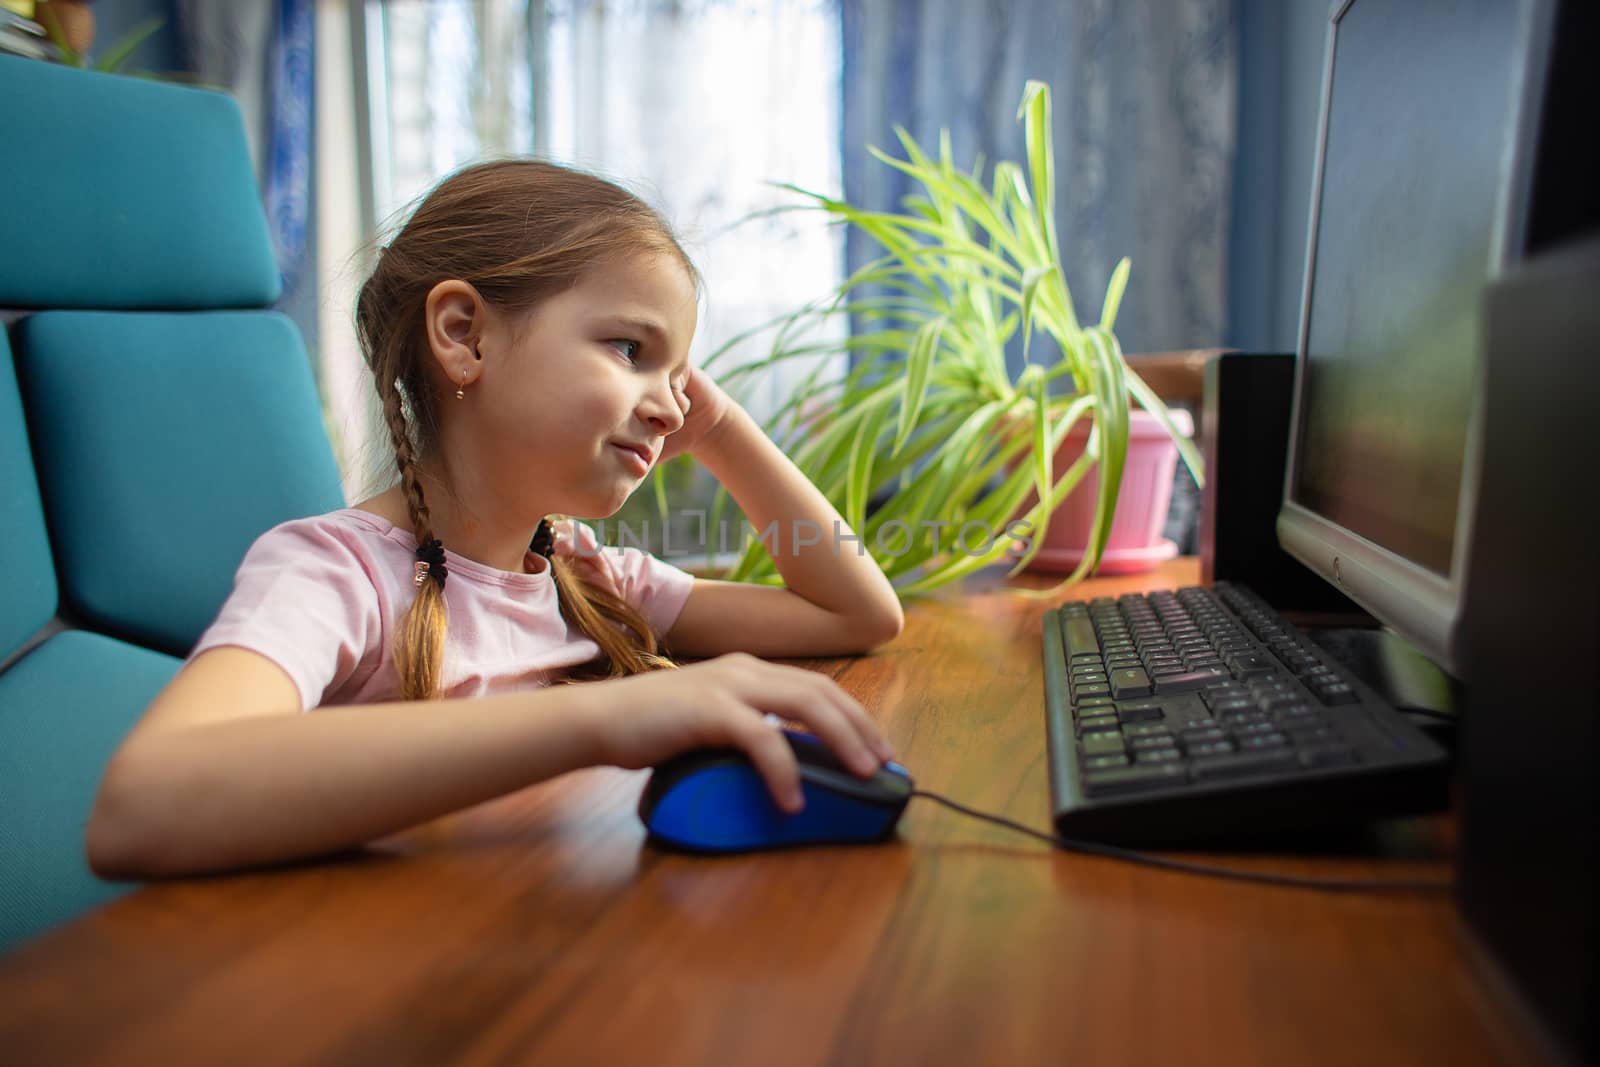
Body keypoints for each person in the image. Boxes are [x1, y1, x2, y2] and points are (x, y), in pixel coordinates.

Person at [85, 160, 904, 879]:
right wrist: (605, 716)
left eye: (681, 378)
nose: (669, 407)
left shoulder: (588, 575)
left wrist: (724, 430)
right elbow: (143, 801)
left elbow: (857, 612)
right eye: (629, 348)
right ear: (462, 334)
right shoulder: (337, 574)